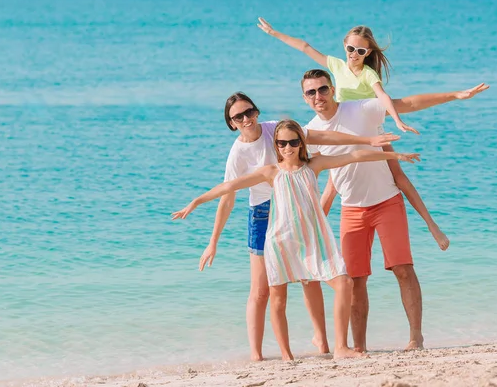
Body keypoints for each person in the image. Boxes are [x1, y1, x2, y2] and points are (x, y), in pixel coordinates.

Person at [173, 119, 420, 360]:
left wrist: (394, 156)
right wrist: (196, 202)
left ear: (301, 143)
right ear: (276, 145)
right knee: (278, 300)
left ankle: (341, 347)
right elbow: (229, 187)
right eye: (281, 143)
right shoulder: (270, 172)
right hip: (281, 243)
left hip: (314, 241)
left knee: (344, 283)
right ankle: (286, 355)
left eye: (293, 142)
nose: (287, 148)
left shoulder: (315, 165)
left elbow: (355, 156)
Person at [257, 18, 488, 250]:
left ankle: (432, 225)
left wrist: (453, 96)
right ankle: (312, 239)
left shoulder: (368, 74)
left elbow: (400, 102)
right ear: (344, 46)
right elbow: (306, 47)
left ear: (367, 52)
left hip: (371, 128)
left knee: (398, 178)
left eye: (360, 50)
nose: (354, 54)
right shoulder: (337, 67)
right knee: (332, 185)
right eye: (350, 48)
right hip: (344, 131)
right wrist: (275, 33)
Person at [299, 68, 468, 352]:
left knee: (403, 269)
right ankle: (359, 348)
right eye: (311, 92)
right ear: (304, 97)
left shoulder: (361, 110)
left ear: (334, 89)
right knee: (354, 281)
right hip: (351, 210)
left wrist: (453, 95)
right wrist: (312, 231)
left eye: (323, 89)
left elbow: (408, 104)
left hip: (387, 202)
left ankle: (416, 338)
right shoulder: (311, 134)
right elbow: (330, 182)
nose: (318, 96)